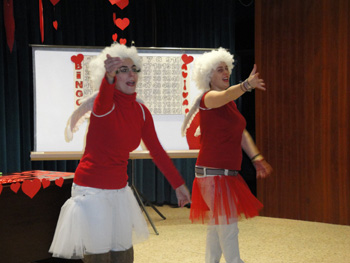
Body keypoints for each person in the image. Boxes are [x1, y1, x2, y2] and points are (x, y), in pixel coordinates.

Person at [49, 43, 191, 263]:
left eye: (133, 69)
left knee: (123, 254)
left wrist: (178, 184)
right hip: (92, 191)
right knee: (99, 256)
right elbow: (105, 95)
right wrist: (108, 76)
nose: (131, 74)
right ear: (112, 76)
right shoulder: (103, 106)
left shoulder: (142, 111)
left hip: (119, 190)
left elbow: (157, 150)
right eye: (122, 70)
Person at [181, 48, 273, 263]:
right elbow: (227, 94)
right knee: (228, 228)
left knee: (218, 228)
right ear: (208, 76)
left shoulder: (229, 105)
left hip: (224, 175)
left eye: (226, 69)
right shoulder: (209, 98)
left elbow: (241, 133)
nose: (225, 72)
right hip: (213, 175)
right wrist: (247, 85)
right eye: (219, 69)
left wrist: (256, 158)